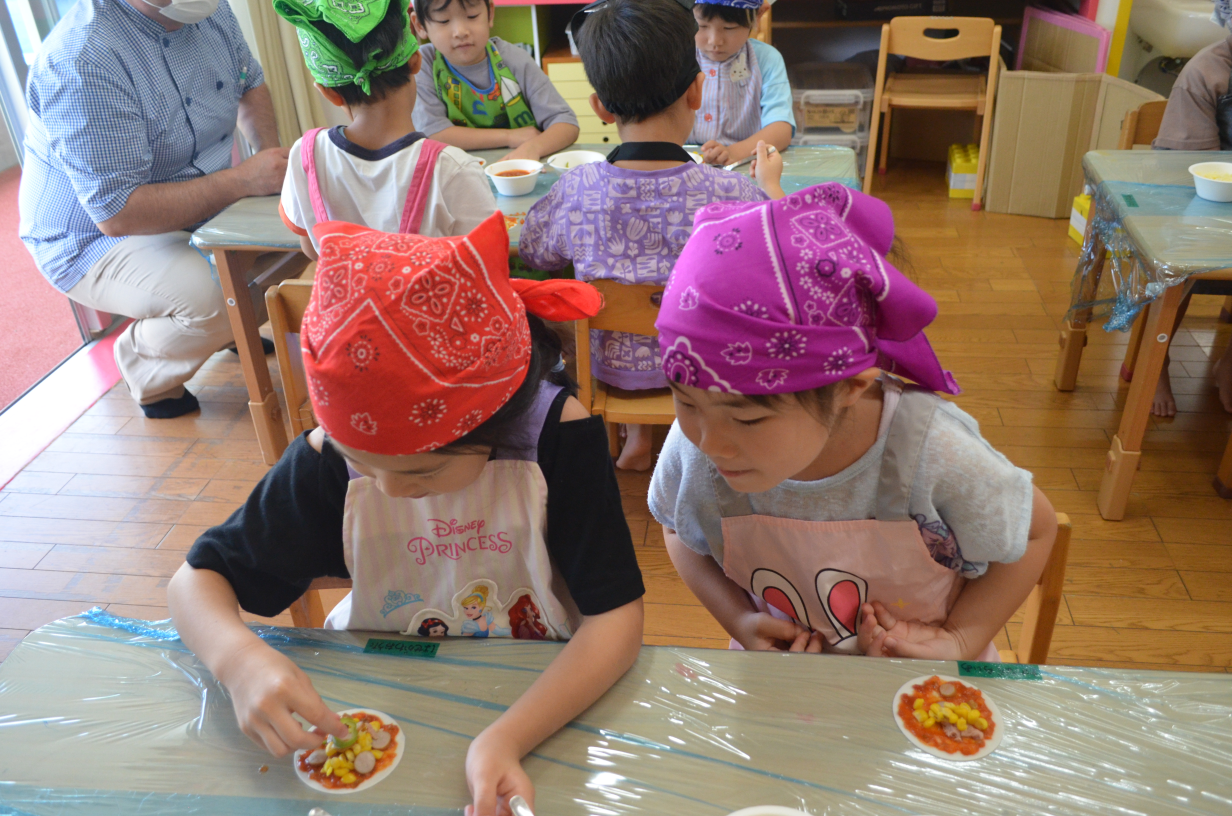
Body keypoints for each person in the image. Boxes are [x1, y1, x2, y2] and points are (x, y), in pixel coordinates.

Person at [167, 212, 645, 816]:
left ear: (497, 425)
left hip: (542, 699)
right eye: (362, 465)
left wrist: (505, 738)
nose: (389, 492)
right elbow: (194, 582)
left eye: (422, 474)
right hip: (380, 693)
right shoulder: (325, 459)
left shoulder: (556, 437)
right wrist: (238, 662)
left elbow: (615, 620)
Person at [648, 183, 1058, 660]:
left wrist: (962, 638)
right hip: (779, 676)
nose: (710, 443)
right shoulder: (695, 449)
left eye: (749, 419)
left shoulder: (932, 452)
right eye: (686, 403)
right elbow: (677, 527)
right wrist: (737, 618)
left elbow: (1036, 530)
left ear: (849, 387)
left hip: (922, 681)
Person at [519, 0, 782, 472]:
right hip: (701, 362)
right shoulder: (730, 192)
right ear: (696, 91)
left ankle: (636, 433)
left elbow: (536, 251)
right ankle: (682, 441)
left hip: (607, 365)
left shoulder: (578, 188)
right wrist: (770, 186)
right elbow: (776, 254)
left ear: (600, 107)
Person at [18, 0, 289, 418]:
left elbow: (249, 82)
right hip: (94, 237)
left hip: (202, 196)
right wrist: (243, 182)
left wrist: (270, 165)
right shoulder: (83, 59)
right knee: (219, 298)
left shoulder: (207, 9)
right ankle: (143, 366)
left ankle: (228, 327)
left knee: (293, 245)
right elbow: (117, 213)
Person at [275, 0, 496, 259]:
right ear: (415, 61)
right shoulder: (453, 169)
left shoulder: (306, 155)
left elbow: (312, 250)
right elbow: (485, 263)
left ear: (329, 93)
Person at [1147, 0, 1232, 416]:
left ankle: (1229, 361)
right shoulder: (1205, 72)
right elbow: (1189, 167)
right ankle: (1157, 362)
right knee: (1179, 268)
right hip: (1199, 197)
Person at [410, 0, 579, 161]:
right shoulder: (423, 65)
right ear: (420, 25)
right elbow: (433, 134)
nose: (460, 32)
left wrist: (534, 147)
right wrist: (509, 137)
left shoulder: (515, 60)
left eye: (472, 16)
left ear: (490, 13)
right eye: (444, 20)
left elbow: (566, 123)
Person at [689, 0, 794, 167]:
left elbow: (781, 130)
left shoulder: (766, 60)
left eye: (729, 27)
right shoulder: (676, 56)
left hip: (746, 164)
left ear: (759, 14)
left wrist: (733, 152)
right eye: (701, 26)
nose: (715, 41)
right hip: (682, 163)